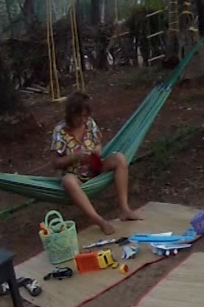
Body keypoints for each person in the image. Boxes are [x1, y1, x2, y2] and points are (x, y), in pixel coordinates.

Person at [49, 92, 142, 236]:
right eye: (79, 116)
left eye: (85, 116)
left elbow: (98, 143)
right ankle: (99, 220)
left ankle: (124, 209)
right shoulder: (60, 131)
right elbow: (55, 163)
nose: (83, 120)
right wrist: (75, 157)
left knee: (120, 158)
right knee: (68, 180)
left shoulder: (89, 123)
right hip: (76, 175)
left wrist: (96, 151)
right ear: (70, 114)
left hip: (94, 168)